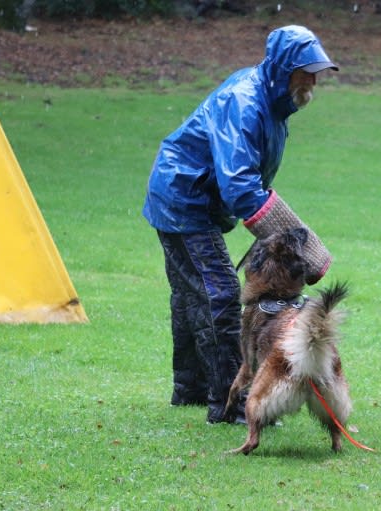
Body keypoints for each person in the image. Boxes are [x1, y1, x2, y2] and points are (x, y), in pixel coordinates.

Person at [142, 25, 338, 424]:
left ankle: (190, 388)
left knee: (190, 295)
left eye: (317, 72)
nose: (314, 80)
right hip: (184, 199)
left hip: (187, 197)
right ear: (285, 68)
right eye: (306, 71)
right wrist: (295, 243)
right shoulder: (246, 101)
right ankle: (229, 403)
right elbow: (240, 187)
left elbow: (250, 179)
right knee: (219, 295)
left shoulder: (275, 101)